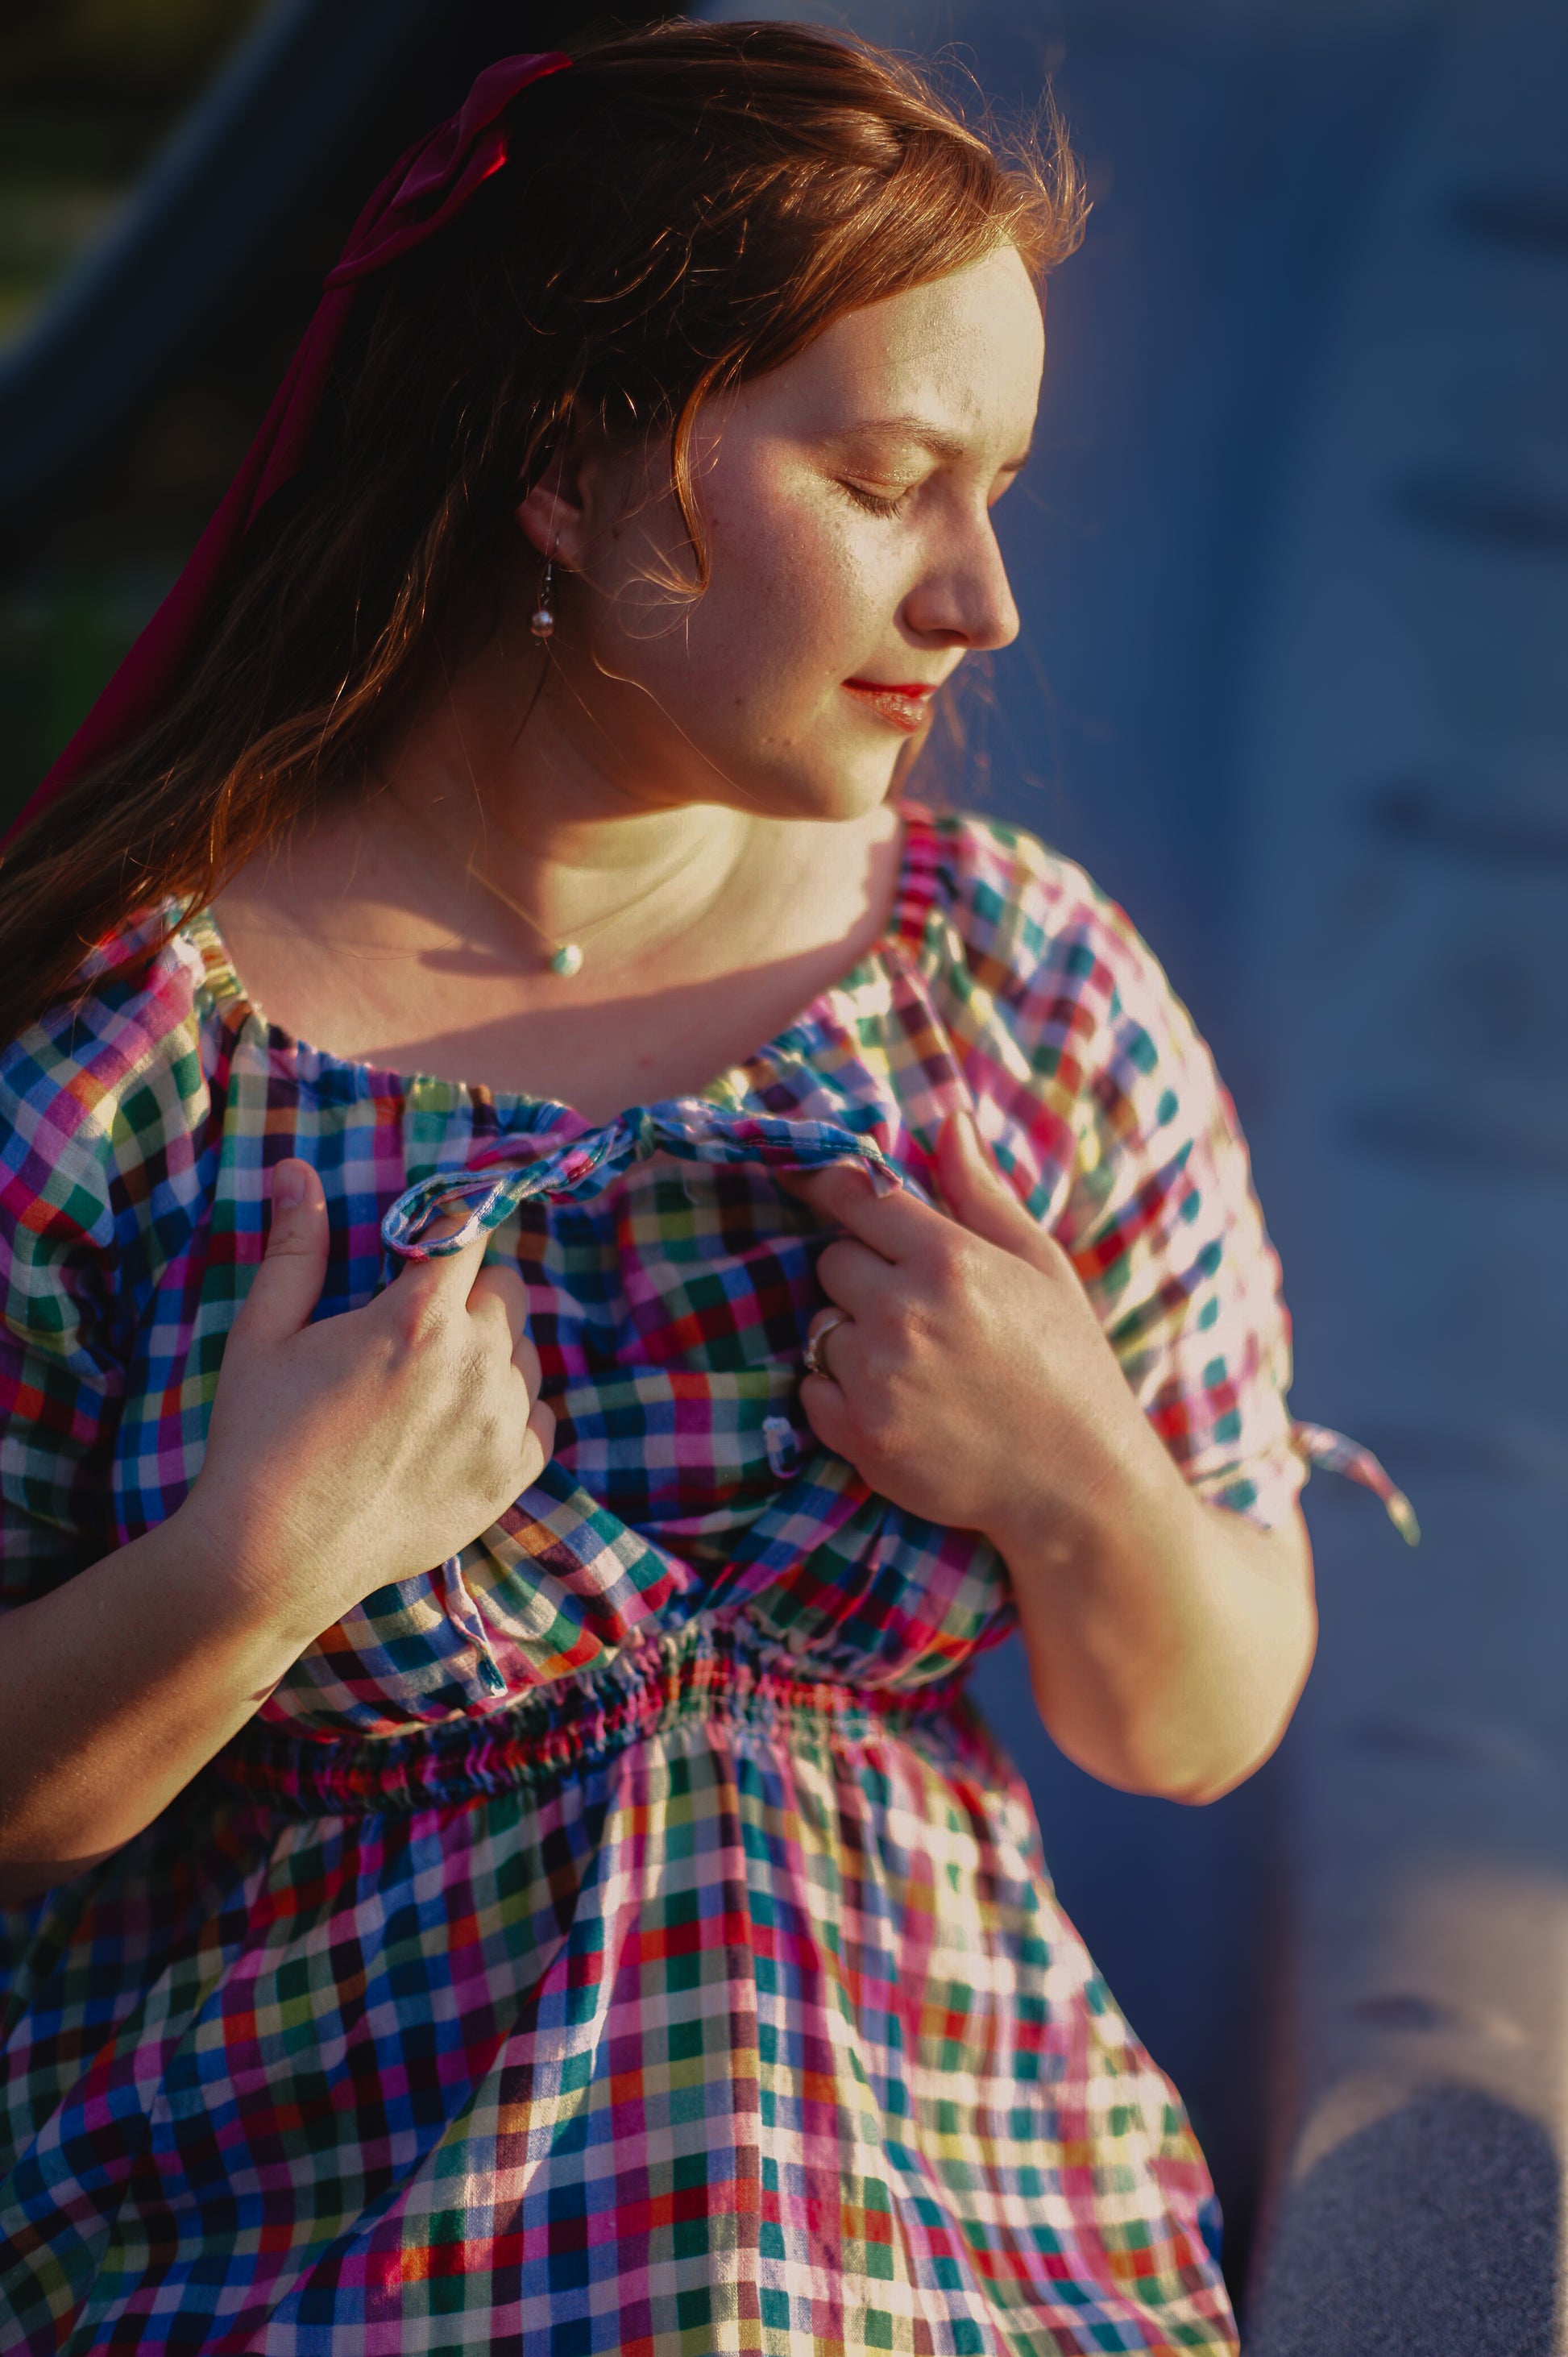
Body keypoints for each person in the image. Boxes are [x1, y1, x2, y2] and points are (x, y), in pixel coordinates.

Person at [0, 23, 1411, 2354]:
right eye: (883, 480)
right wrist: (256, 1569)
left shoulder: (1022, 996)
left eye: (1000, 491)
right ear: (569, 464)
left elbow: (1197, 1715)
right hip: (298, 2283)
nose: (980, 599)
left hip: (971, 2279)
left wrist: (1067, 1470)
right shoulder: (124, 1072)